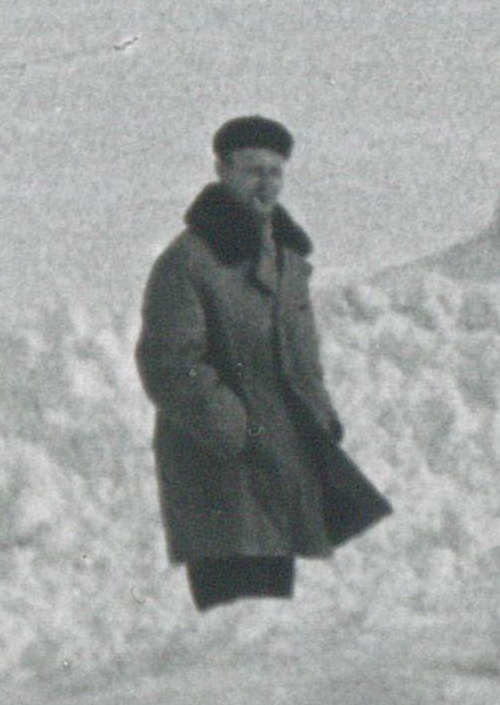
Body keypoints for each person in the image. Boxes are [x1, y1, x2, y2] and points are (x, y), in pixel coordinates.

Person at [141, 113, 394, 606]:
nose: (266, 184)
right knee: (234, 622)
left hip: (279, 463)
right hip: (217, 468)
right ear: (221, 171)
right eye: (253, 170)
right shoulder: (189, 261)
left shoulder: (285, 259)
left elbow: (301, 353)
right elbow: (170, 364)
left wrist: (320, 413)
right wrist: (235, 429)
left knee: (267, 620)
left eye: (275, 172)